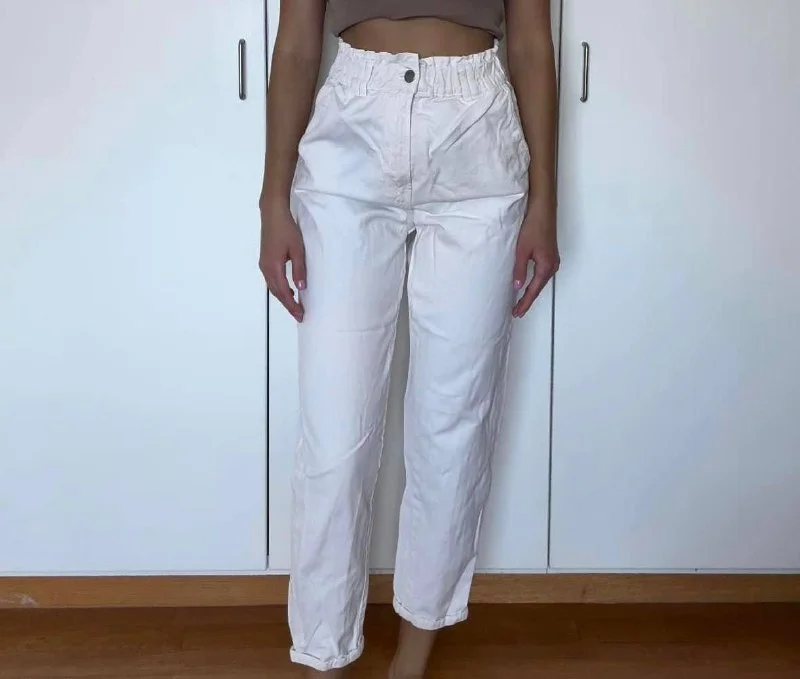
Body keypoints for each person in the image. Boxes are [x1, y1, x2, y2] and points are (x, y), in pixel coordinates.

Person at [259, 1, 558, 676]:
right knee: (335, 437)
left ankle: (414, 654)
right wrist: (273, 198)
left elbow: (532, 43)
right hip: (351, 133)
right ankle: (323, 653)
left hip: (478, 139)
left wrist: (545, 200)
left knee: (453, 424)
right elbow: (298, 41)